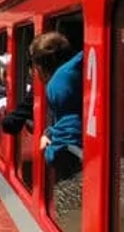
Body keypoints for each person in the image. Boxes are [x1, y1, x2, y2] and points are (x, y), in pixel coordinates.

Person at [27, 31, 84, 180]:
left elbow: (65, 149)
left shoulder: (58, 84)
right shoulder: (74, 72)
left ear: (39, 66)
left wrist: (48, 150)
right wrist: (50, 132)